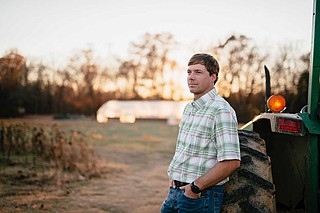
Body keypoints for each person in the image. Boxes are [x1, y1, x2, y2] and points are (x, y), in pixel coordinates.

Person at [160, 53, 241, 213]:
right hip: (175, 192)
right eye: (189, 72)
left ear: (213, 77)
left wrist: (195, 188)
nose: (191, 77)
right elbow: (184, 150)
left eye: (198, 72)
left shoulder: (221, 110)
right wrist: (174, 177)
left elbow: (231, 162)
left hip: (200, 196)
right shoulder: (189, 108)